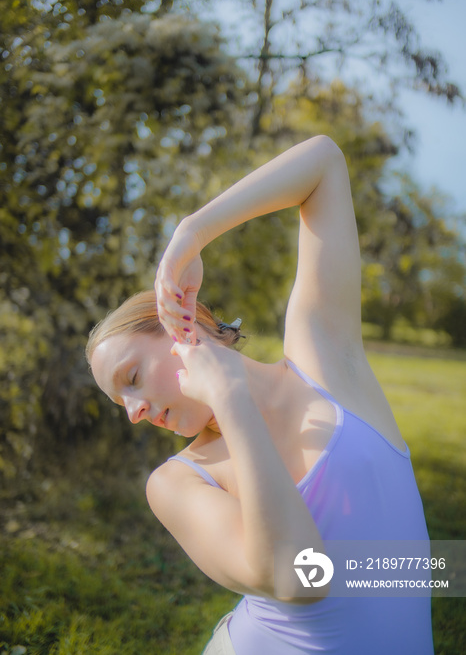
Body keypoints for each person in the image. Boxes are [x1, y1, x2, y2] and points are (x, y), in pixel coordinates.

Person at [86, 136, 434, 654]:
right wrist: (230, 402)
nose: (134, 413)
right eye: (122, 405)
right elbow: (300, 580)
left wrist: (191, 234)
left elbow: (322, 164)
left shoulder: (323, 359)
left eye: (131, 378)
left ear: (183, 320)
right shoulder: (177, 482)